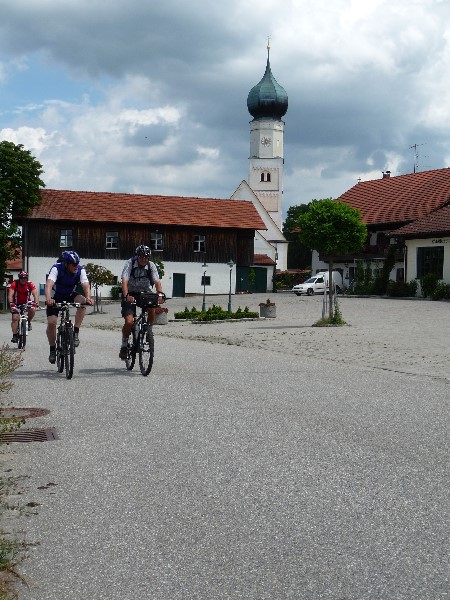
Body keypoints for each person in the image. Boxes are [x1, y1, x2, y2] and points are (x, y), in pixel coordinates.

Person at [45, 251, 93, 364]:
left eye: (77, 263)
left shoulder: (80, 270)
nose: (76, 266)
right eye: (73, 264)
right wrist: (48, 298)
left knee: (83, 302)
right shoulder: (57, 268)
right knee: (52, 322)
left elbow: (85, 284)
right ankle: (52, 349)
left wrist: (88, 297)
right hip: (55, 297)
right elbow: (49, 284)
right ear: (66, 264)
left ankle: (75, 331)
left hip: (70, 294)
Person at [119, 244, 165, 360]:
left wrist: (160, 294)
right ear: (137, 256)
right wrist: (126, 295)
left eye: (146, 257)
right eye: (142, 257)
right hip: (130, 293)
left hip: (144, 292)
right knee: (129, 322)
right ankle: (124, 345)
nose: (144, 260)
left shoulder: (151, 266)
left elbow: (157, 281)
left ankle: (148, 330)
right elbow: (124, 281)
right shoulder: (130, 263)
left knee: (152, 308)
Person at [8, 271, 39, 343]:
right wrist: (11, 303)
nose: (23, 280)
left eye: (25, 278)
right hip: (16, 303)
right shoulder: (14, 283)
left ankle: (28, 322)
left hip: (26, 302)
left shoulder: (30, 284)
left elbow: (35, 295)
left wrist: (36, 303)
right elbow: (10, 295)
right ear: (19, 278)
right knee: (15, 318)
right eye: (21, 278)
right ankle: (15, 335)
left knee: (33, 308)